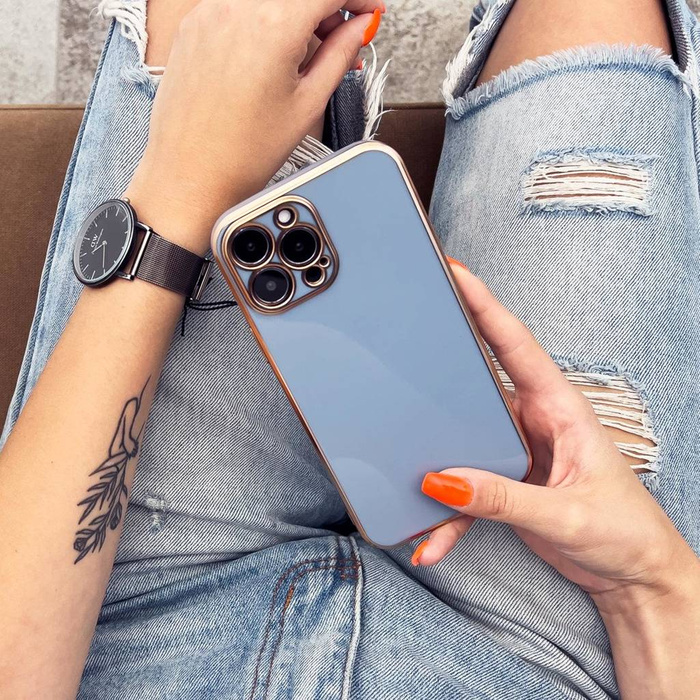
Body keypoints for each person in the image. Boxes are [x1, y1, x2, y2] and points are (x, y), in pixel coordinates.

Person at [0, 0, 698, 697]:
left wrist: (174, 200)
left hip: (112, 622)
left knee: (230, 31)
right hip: (548, 652)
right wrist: (649, 584)